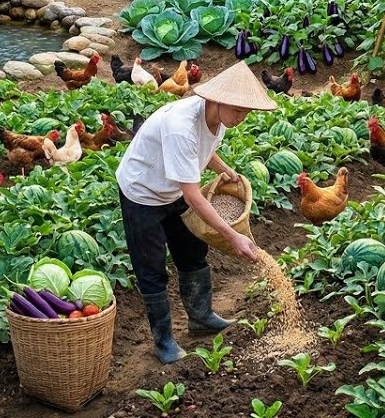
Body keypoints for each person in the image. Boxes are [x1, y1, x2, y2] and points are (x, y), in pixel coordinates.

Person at [116, 61, 276, 363]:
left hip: (174, 186)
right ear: (216, 100)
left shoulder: (218, 119)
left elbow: (205, 148)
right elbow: (193, 195)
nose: (242, 118)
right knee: (151, 267)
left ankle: (200, 317)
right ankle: (163, 341)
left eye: (247, 112)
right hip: (143, 191)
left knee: (192, 252)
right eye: (239, 111)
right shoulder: (181, 127)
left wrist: (225, 168)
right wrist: (233, 236)